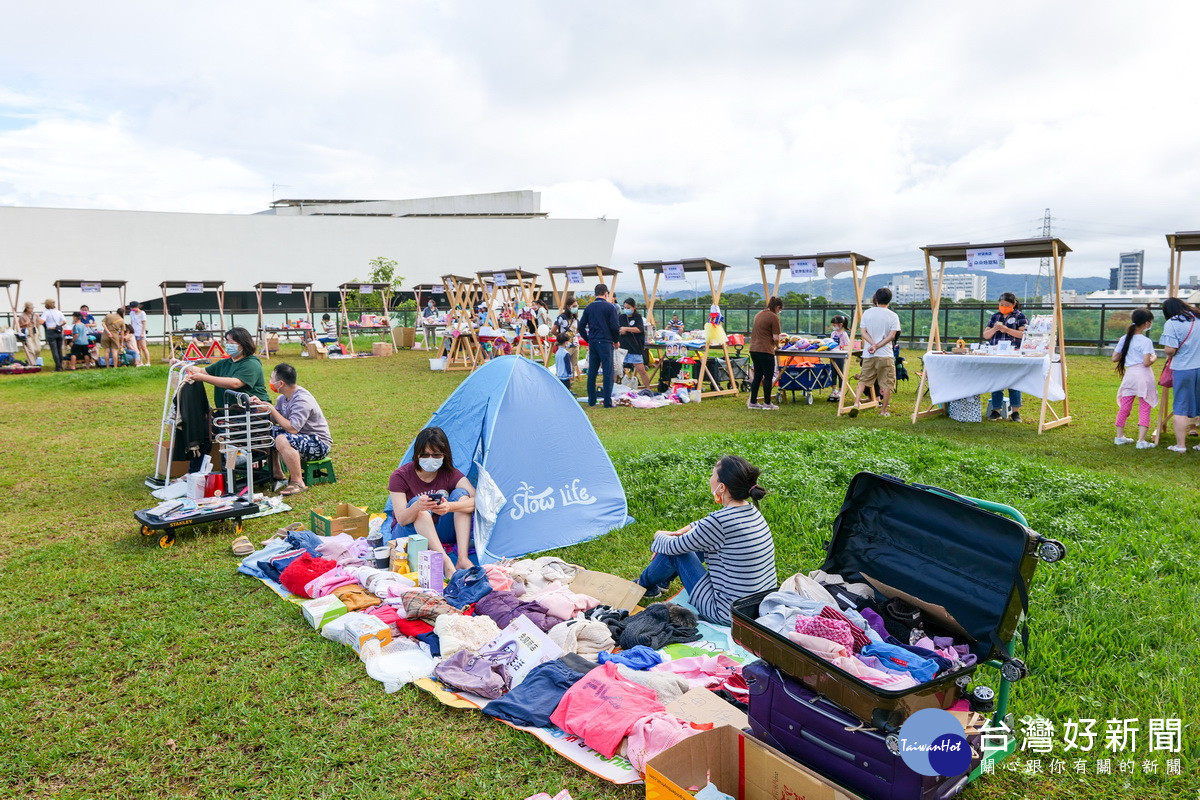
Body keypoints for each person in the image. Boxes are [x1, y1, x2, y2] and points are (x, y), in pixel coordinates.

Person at [634, 455, 777, 625]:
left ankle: (643, 586)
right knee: (686, 543)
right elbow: (701, 527)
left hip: (726, 613)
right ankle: (661, 580)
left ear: (722, 487)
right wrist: (677, 532)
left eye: (712, 475)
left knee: (676, 552)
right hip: (755, 607)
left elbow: (674, 547)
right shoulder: (750, 511)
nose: (709, 479)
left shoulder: (719, 522)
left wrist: (659, 535)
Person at [387, 427, 476, 574]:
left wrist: (450, 506)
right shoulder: (400, 476)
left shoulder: (448, 473)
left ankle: (462, 558)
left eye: (436, 455)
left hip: (441, 531)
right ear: (416, 455)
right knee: (419, 506)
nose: (430, 460)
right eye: (425, 455)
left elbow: (477, 500)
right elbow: (402, 519)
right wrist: (417, 506)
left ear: (444, 455)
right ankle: (446, 563)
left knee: (462, 495)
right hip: (410, 534)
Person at [250, 362, 333, 496]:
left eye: (272, 378)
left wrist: (271, 410)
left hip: (318, 443)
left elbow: (293, 429)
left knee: (282, 439)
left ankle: (297, 482)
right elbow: (274, 419)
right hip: (301, 437)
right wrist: (260, 406)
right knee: (266, 431)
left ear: (280, 383)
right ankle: (277, 473)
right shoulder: (283, 398)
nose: (270, 381)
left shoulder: (302, 399)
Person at [183, 327, 269, 410]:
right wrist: (181, 365)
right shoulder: (225, 362)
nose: (228, 345)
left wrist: (203, 378)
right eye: (227, 342)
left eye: (231, 343)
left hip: (252, 412)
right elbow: (201, 371)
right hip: (228, 412)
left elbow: (235, 383)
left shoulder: (251, 363)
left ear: (243, 345)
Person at [1159, 297, 1200, 454]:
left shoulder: (1172, 323)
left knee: (1181, 407)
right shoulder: (1198, 317)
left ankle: (1181, 445)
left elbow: (1170, 350)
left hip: (1184, 368)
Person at [1112, 308, 1157, 449]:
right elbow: (1146, 362)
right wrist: (1154, 358)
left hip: (1129, 376)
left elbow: (1115, 358)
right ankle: (1141, 441)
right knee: (1145, 407)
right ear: (1147, 323)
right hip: (1143, 375)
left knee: (1125, 407)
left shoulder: (1125, 338)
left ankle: (1119, 437)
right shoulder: (1146, 341)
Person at [852, 288, 901, 417]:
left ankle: (856, 404)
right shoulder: (893, 315)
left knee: (863, 380)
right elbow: (891, 336)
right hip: (885, 354)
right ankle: (883, 411)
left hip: (869, 354)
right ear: (889, 300)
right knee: (887, 383)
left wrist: (873, 345)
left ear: (876, 299)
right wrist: (878, 345)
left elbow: (863, 333)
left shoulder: (867, 313)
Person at [982, 292, 1027, 421]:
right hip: (996, 353)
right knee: (997, 381)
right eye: (1001, 304)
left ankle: (1015, 412)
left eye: (1006, 305)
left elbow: (1023, 334)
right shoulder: (995, 317)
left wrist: (1007, 330)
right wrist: (995, 329)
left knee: (1014, 382)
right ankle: (996, 410)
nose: (1003, 307)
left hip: (1014, 353)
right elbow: (986, 335)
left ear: (1014, 304)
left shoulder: (1020, 316)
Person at [577, 284, 621, 408]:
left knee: (592, 372)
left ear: (595, 293)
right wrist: (616, 340)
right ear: (606, 293)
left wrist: (588, 339)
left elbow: (581, 326)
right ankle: (607, 402)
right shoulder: (610, 307)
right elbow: (614, 326)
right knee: (608, 371)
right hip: (606, 342)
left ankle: (592, 400)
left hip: (593, 342)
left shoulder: (589, 308)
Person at [748, 296, 784, 411]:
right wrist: (778, 345)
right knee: (768, 377)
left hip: (753, 349)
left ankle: (753, 402)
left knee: (758, 376)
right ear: (777, 307)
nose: (779, 311)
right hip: (765, 350)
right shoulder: (774, 317)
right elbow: (775, 337)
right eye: (780, 309)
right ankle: (767, 403)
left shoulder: (759, 314)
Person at [618, 297, 651, 389]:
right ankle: (615, 387)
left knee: (641, 370)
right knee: (617, 370)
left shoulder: (638, 317)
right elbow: (618, 329)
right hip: (623, 348)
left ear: (634, 307)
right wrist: (622, 330)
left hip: (634, 348)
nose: (626, 309)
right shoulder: (621, 317)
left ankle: (647, 388)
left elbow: (639, 329)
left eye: (628, 307)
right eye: (625, 307)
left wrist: (626, 329)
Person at [552, 294, 581, 377]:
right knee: (564, 365)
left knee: (573, 366)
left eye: (577, 306)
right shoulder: (561, 317)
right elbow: (553, 330)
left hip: (575, 344)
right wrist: (561, 337)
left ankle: (571, 384)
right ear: (568, 306)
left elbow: (577, 330)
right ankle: (563, 382)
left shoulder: (575, 318)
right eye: (574, 306)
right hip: (566, 345)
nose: (576, 308)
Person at [827, 314, 851, 402]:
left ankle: (841, 390)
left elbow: (848, 345)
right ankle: (834, 390)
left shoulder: (844, 334)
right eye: (833, 325)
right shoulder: (833, 333)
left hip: (840, 355)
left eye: (835, 325)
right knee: (833, 372)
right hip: (833, 355)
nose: (833, 327)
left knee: (840, 373)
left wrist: (842, 349)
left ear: (840, 324)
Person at [40, 298, 65, 372]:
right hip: (59, 332)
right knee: (59, 350)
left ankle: (58, 367)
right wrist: (57, 326)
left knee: (54, 351)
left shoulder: (46, 312)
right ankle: (61, 365)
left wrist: (38, 318)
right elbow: (64, 321)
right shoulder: (59, 312)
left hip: (51, 332)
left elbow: (41, 322)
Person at [17, 301, 41, 366]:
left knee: (38, 349)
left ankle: (30, 360)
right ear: (27, 308)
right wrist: (25, 323)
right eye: (30, 308)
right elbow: (19, 325)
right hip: (27, 333)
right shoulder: (22, 316)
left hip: (35, 332)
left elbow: (38, 324)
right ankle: (32, 363)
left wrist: (38, 318)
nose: (32, 310)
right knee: (31, 349)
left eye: (32, 308)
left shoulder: (34, 315)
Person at [128, 300, 150, 366]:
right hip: (135, 332)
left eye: (132, 307)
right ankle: (141, 362)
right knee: (138, 348)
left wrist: (143, 333)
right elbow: (131, 322)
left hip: (140, 332)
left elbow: (144, 323)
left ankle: (148, 362)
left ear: (136, 307)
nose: (131, 309)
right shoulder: (131, 313)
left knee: (143, 347)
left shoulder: (142, 313)